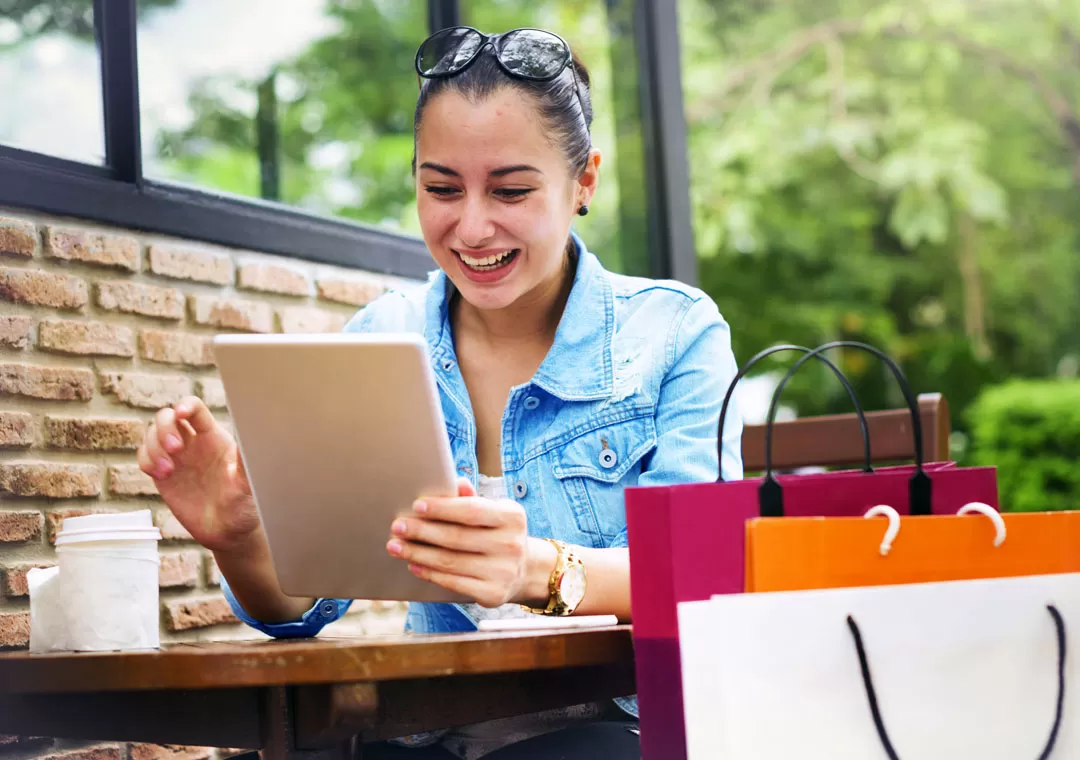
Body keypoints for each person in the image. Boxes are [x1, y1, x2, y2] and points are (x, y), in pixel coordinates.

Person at [137, 25, 743, 760]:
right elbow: (302, 610)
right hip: (427, 733)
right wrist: (243, 542)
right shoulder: (383, 337)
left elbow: (702, 574)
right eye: (441, 188)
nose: (472, 226)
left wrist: (536, 569)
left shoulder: (674, 333)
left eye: (512, 190)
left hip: (620, 730)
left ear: (584, 180)